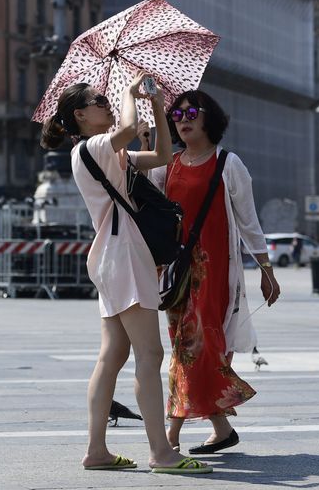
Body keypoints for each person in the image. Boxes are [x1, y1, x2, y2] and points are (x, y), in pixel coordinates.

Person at [41, 75, 209, 473]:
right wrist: (130, 94)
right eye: (98, 101)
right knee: (149, 355)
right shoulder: (92, 146)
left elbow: (165, 156)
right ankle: (161, 453)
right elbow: (129, 129)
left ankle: (96, 450)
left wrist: (155, 107)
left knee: (113, 355)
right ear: (80, 115)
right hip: (124, 254)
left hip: (114, 256)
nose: (106, 103)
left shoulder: (109, 155)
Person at [150, 89, 280, 455]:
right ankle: (221, 427)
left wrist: (266, 269)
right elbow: (151, 207)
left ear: (210, 117)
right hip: (178, 274)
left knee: (195, 344)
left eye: (192, 110)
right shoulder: (168, 164)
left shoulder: (228, 164)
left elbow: (249, 220)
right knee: (187, 344)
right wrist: (147, 138)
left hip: (215, 272)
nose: (183, 117)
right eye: (176, 114)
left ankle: (171, 435)